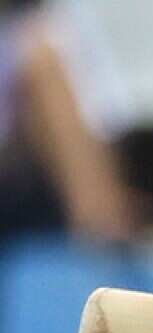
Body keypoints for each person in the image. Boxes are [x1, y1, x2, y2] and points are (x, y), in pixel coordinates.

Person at [0, 0, 140, 244]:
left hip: (40, 201)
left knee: (44, 60)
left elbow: (104, 125)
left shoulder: (55, 25)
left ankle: (105, 241)